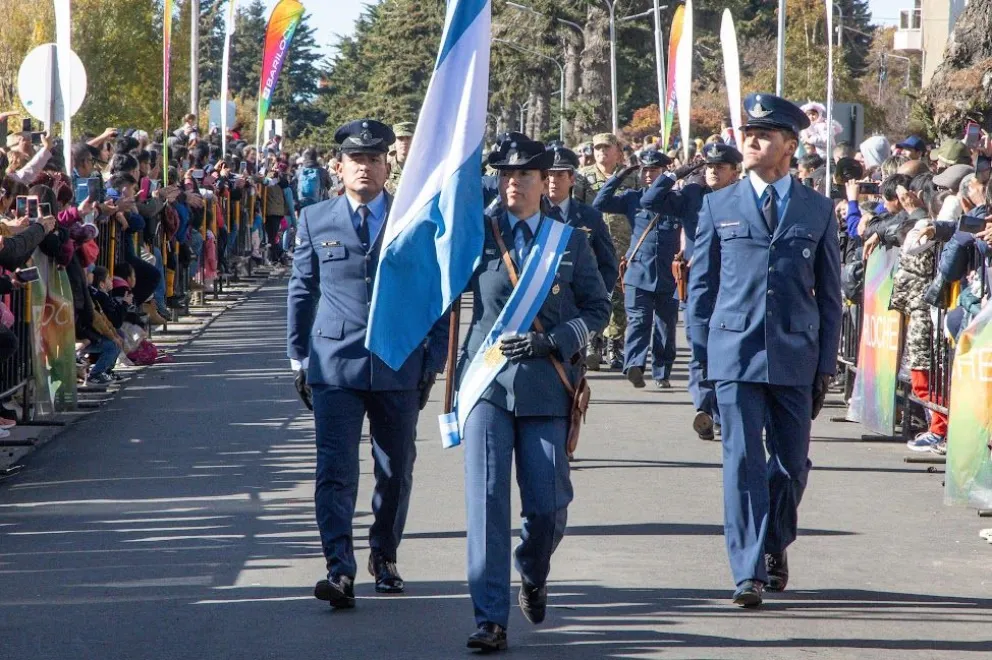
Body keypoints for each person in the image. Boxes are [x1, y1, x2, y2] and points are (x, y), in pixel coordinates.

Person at [687, 93, 842, 608]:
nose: (751, 142)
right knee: (742, 462)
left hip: (795, 355)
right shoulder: (717, 204)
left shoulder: (817, 208)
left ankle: (773, 541)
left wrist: (825, 367)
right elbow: (701, 294)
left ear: (789, 146)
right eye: (748, 134)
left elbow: (830, 297)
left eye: (764, 135)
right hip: (733, 353)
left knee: (791, 466)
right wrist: (701, 369)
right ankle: (747, 571)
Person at [457, 135, 610, 652]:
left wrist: (555, 340)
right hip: (486, 385)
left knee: (546, 505)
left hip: (547, 385)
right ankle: (490, 618)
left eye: (523, 174)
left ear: (546, 182)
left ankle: (533, 567)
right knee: (487, 501)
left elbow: (597, 309)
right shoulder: (476, 236)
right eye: (505, 174)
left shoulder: (569, 241)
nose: (512, 183)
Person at [286, 119, 447, 610]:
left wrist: (435, 357)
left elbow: (438, 291)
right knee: (335, 471)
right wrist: (298, 356)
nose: (365, 167)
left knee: (395, 469)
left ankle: (385, 555)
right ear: (338, 167)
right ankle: (339, 568)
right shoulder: (315, 218)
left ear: (387, 165)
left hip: (398, 361)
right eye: (356, 159)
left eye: (374, 159)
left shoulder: (415, 217)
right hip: (334, 364)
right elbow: (302, 289)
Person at [641, 142, 744, 439]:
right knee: (700, 351)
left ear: (735, 172)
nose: (713, 171)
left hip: (733, 287)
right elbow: (650, 201)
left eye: (720, 167)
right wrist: (677, 173)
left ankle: (723, 414)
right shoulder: (693, 194)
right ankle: (705, 411)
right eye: (709, 166)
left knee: (728, 354)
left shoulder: (744, 198)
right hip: (698, 285)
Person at [592, 149, 681, 389]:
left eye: (654, 170)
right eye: (645, 170)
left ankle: (662, 372)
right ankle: (634, 366)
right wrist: (618, 177)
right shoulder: (633, 198)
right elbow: (600, 203)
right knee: (639, 321)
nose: (649, 174)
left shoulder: (677, 200)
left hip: (669, 275)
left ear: (665, 171)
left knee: (665, 327)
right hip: (638, 272)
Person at [544, 143, 618, 371]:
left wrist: (598, 297)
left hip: (574, 307)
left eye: (559, 175)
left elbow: (607, 263)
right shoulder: (532, 214)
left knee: (571, 372)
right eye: (549, 174)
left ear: (572, 179)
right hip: (537, 305)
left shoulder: (589, 216)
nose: (553, 180)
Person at [575, 133, 638, 369]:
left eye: (606, 147)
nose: (601, 152)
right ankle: (593, 342)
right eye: (597, 148)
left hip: (624, 246)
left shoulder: (630, 176)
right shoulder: (583, 176)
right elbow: (576, 209)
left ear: (617, 151)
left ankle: (615, 345)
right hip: (593, 247)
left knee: (620, 298)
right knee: (594, 295)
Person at [385, 121, 414, 194]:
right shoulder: (385, 167)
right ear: (394, 142)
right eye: (400, 138)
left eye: (408, 138)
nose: (404, 142)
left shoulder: (422, 167)